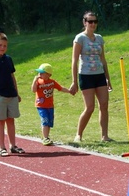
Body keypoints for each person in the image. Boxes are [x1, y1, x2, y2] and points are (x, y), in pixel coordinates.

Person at [69, 11, 113, 143]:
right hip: (86, 75)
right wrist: (74, 81)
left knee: (104, 105)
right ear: (85, 23)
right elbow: (74, 61)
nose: (93, 24)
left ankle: (104, 136)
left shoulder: (99, 38)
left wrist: (108, 78)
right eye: (90, 21)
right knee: (90, 107)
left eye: (95, 21)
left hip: (99, 75)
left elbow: (103, 60)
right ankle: (78, 134)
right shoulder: (80, 38)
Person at [31, 63, 72, 146]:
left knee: (49, 122)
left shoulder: (52, 82)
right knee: (45, 121)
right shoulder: (38, 82)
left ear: (48, 74)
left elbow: (60, 88)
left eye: (42, 73)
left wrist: (69, 91)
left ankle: (47, 137)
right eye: (39, 72)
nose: (40, 74)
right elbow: (33, 90)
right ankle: (45, 138)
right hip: (41, 106)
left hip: (50, 105)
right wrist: (34, 81)